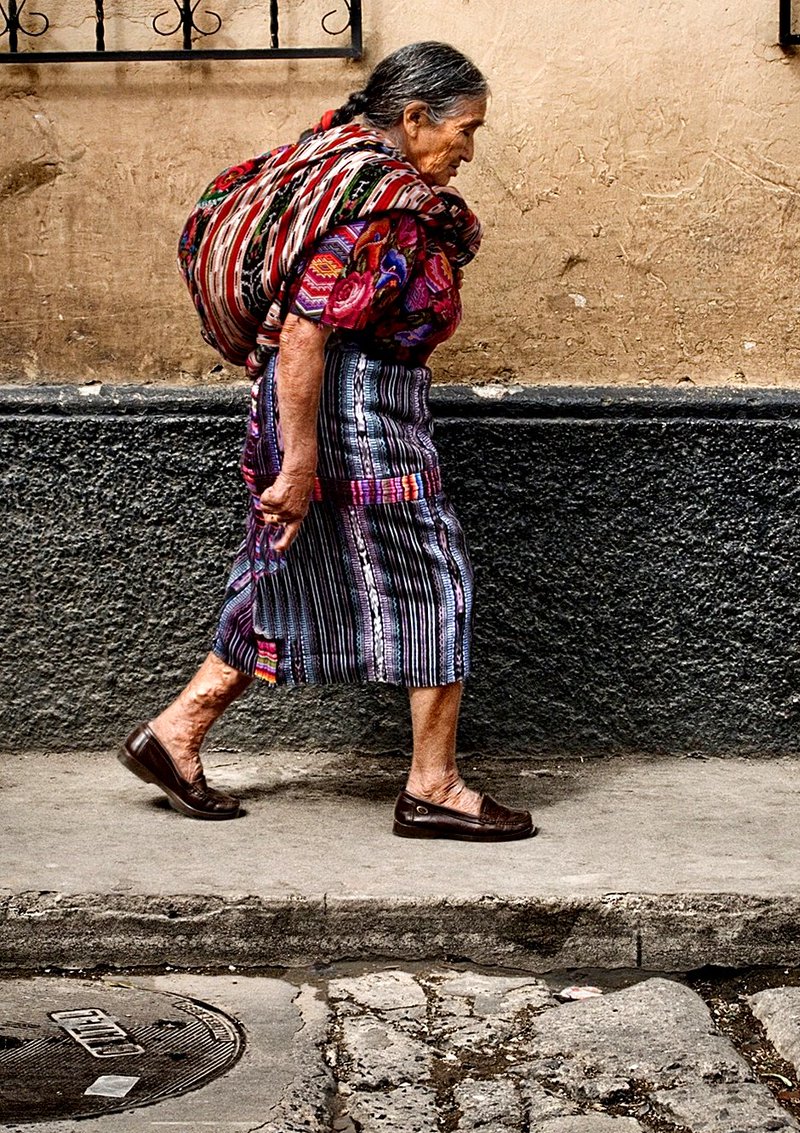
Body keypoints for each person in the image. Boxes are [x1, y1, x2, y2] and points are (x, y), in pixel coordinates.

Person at [119, 41, 536, 842]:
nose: (469, 151)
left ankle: (176, 734)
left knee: (285, 567)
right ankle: (434, 785)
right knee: (435, 575)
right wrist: (303, 459)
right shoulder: (384, 205)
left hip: (319, 407)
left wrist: (295, 452)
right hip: (356, 414)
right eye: (465, 129)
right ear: (414, 119)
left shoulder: (331, 162)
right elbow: (307, 331)